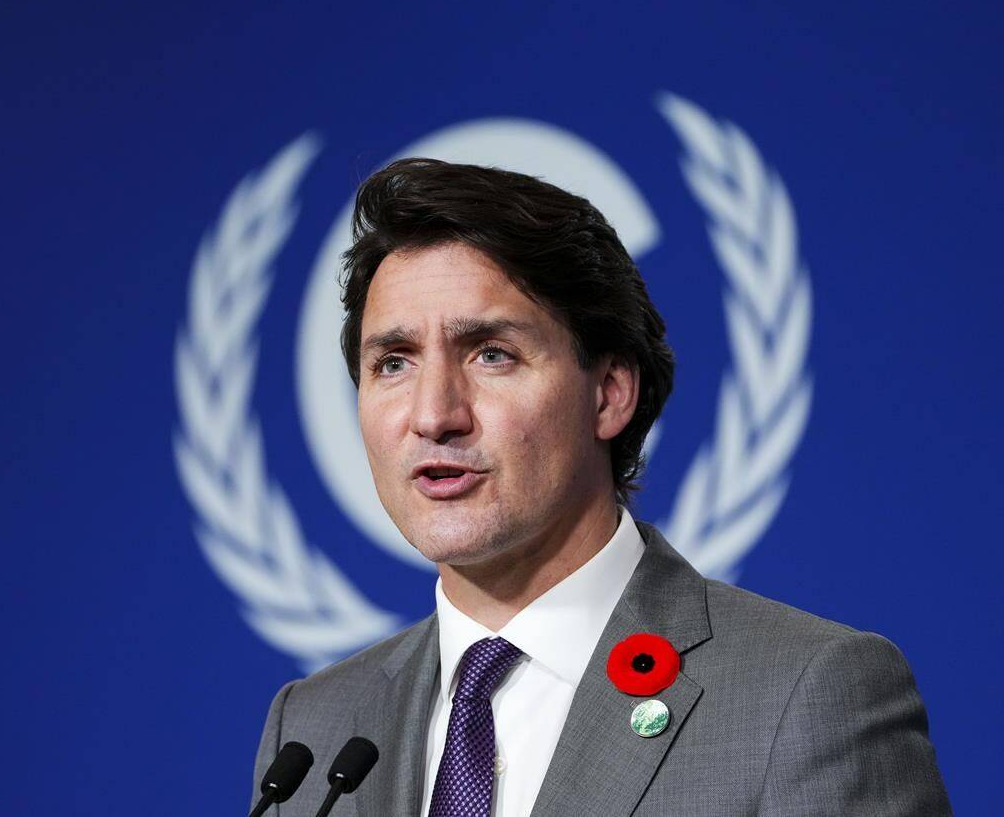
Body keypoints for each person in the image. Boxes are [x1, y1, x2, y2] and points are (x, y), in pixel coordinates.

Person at [251, 158, 950, 815]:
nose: (434, 413)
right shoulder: (313, 732)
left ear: (610, 394)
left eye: (492, 354)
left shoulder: (806, 696)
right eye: (394, 362)